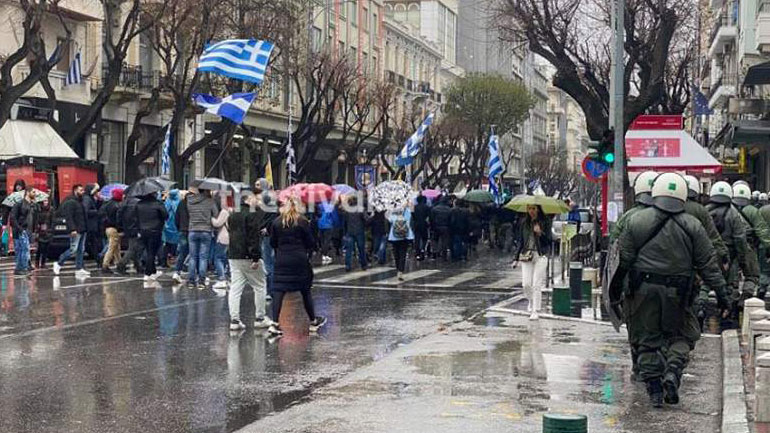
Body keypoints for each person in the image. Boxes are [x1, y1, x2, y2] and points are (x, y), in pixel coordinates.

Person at [614, 172, 728, 408]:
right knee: (683, 334)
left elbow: (622, 261)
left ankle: (654, 388)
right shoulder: (693, 225)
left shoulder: (636, 221)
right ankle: (673, 371)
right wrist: (723, 295)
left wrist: (615, 292)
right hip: (679, 292)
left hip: (642, 290)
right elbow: (709, 265)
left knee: (646, 339)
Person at [268, 197, 326, 336]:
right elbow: (310, 242)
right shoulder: (302, 221)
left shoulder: (276, 222)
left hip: (282, 259)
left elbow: (272, 242)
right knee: (305, 290)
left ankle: (274, 323)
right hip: (299, 259)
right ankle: (313, 321)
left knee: (279, 291)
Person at [707, 182, 758, 325]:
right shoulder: (733, 214)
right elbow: (739, 238)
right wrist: (742, 258)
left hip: (708, 252)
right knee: (730, 284)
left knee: (705, 283)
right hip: (729, 254)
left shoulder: (705, 212)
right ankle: (729, 310)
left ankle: (701, 305)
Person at [227, 195, 276, 331]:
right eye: (254, 198)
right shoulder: (251, 215)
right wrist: (255, 257)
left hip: (234, 255)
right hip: (248, 255)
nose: (257, 201)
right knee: (259, 286)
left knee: (235, 288)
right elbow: (253, 238)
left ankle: (234, 320)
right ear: (247, 200)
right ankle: (260, 318)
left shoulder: (233, 215)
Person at [512, 204, 551, 320]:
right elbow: (520, 241)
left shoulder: (545, 222)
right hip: (527, 255)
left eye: (533, 208)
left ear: (538, 209)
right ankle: (531, 300)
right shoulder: (524, 223)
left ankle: (535, 310)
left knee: (536, 284)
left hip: (540, 255)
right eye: (529, 208)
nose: (531, 211)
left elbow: (549, 240)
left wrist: (540, 233)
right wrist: (516, 258)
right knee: (526, 284)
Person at [732, 183, 770, 301]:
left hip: (730, 247)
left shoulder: (729, 209)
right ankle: (745, 296)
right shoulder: (752, 211)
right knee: (752, 274)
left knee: (732, 276)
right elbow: (762, 230)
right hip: (748, 247)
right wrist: (768, 246)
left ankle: (732, 298)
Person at [186, 185, 218, 288]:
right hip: (206, 230)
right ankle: (201, 281)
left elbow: (189, 213)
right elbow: (216, 214)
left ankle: (191, 281)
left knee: (193, 257)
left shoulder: (190, 201)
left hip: (192, 230)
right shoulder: (210, 201)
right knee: (203, 257)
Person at [54, 184, 89, 278]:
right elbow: (69, 217)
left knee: (81, 250)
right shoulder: (71, 202)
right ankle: (59, 263)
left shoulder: (79, 202)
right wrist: (72, 229)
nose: (83, 192)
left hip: (82, 229)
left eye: (83, 190)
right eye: (80, 190)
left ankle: (79, 268)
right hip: (76, 230)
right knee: (73, 249)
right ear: (75, 191)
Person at [136, 192, 167, 282]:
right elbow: (165, 215)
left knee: (148, 250)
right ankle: (148, 273)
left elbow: (136, 217)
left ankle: (153, 271)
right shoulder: (158, 204)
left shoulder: (139, 204)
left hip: (143, 230)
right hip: (155, 230)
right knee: (152, 252)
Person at [10, 187, 37, 275]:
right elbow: (13, 218)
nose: (35, 194)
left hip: (27, 230)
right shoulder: (19, 204)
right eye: (33, 192)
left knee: (25, 249)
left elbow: (33, 218)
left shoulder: (31, 205)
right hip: (20, 230)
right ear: (28, 192)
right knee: (22, 250)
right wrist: (20, 229)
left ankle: (23, 267)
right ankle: (21, 268)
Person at [116, 194, 142, 275]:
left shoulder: (123, 203)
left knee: (135, 248)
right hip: (135, 228)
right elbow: (139, 217)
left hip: (127, 228)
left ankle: (139, 266)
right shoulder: (137, 203)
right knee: (132, 248)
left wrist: (121, 227)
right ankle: (121, 265)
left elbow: (119, 216)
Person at [340, 196, 368, 272]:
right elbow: (366, 220)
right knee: (361, 248)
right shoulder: (361, 209)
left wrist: (345, 232)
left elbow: (345, 222)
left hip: (350, 231)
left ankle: (348, 265)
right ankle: (363, 264)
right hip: (359, 231)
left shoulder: (347, 210)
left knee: (349, 249)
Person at [99, 188, 123, 273]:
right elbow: (118, 219)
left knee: (116, 248)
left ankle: (119, 264)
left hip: (107, 228)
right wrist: (120, 229)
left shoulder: (107, 204)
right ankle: (105, 265)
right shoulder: (117, 206)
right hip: (114, 228)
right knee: (112, 247)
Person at [211, 192, 231, 289]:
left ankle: (222, 278)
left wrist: (211, 218)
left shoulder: (224, 212)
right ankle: (229, 278)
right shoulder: (232, 210)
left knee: (218, 258)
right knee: (226, 258)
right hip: (230, 237)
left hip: (223, 237)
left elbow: (217, 223)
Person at [388, 206, 414, 280]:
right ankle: (400, 270)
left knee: (396, 254)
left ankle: (398, 268)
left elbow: (390, 220)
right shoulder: (407, 210)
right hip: (405, 235)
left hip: (394, 236)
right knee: (403, 254)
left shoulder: (392, 211)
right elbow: (409, 220)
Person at [82, 183, 102, 267]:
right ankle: (98, 260)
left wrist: (99, 201)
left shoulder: (90, 198)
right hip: (90, 225)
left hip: (91, 225)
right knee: (90, 244)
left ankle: (98, 260)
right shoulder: (87, 199)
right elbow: (86, 211)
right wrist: (96, 212)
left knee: (93, 244)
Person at [172, 192, 190, 284]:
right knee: (194, 253)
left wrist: (179, 228)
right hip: (192, 229)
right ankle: (195, 274)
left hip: (182, 230)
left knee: (182, 252)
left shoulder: (181, 203)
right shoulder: (194, 204)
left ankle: (177, 272)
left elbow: (176, 217)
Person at [163, 189, 182, 268]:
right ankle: (175, 258)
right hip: (175, 225)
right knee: (177, 242)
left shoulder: (167, 202)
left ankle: (165, 259)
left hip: (167, 225)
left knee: (167, 243)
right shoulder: (178, 203)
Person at [317, 198, 339, 265]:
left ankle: (323, 252)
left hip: (320, 224)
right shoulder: (330, 206)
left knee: (322, 240)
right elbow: (334, 217)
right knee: (327, 240)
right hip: (328, 225)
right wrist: (336, 224)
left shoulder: (319, 205)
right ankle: (325, 254)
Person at [36, 197, 53, 270]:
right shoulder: (38, 209)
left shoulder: (51, 209)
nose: (45, 202)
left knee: (46, 248)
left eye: (46, 201)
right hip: (40, 231)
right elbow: (36, 220)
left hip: (48, 231)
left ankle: (43, 263)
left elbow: (52, 220)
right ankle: (37, 262)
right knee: (40, 248)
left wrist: (51, 229)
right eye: (44, 201)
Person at [413, 196, 431, 260]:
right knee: (424, 238)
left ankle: (417, 252)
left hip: (417, 225)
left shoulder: (415, 207)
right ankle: (423, 249)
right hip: (424, 225)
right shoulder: (427, 207)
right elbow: (429, 216)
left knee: (417, 239)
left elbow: (413, 216)